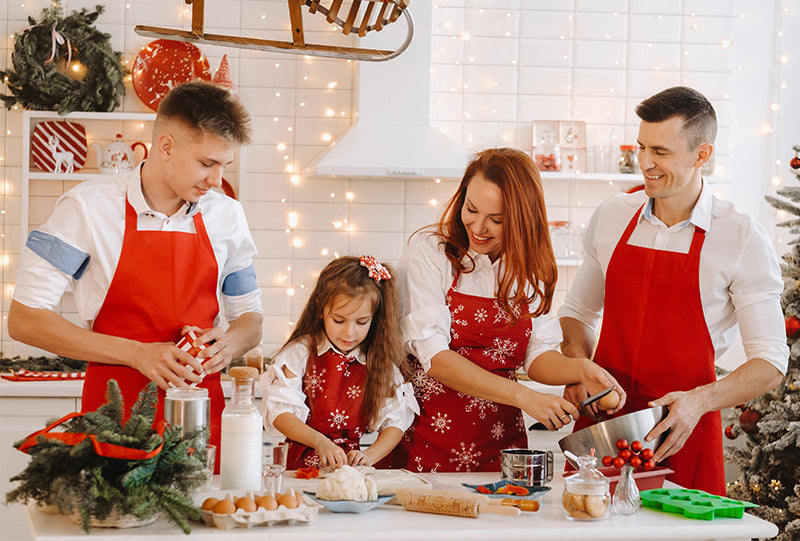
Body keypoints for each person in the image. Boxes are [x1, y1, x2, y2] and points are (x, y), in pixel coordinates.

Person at [8, 81, 264, 461]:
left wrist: (229, 345)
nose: (215, 181)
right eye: (207, 164)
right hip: (115, 413)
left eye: (223, 166)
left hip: (199, 413)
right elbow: (24, 320)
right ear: (166, 147)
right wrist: (138, 354)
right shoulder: (86, 208)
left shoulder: (227, 215)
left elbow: (251, 319)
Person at [559, 86, 788, 495]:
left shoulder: (740, 238)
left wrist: (698, 401)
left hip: (683, 429)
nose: (644, 162)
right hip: (604, 427)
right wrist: (579, 366)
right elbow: (577, 311)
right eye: (642, 147)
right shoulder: (613, 215)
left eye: (660, 152)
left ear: (702, 155)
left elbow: (770, 361)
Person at [394, 148, 626, 473]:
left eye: (497, 220)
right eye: (471, 209)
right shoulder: (430, 253)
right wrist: (525, 397)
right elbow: (435, 358)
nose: (478, 227)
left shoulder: (529, 267)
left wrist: (581, 369)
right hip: (428, 442)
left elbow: (537, 355)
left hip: (505, 449)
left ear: (522, 218)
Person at [259, 255, 418, 469]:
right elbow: (280, 413)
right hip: (299, 468)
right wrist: (320, 442)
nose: (349, 332)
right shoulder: (300, 353)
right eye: (339, 320)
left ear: (374, 317)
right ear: (321, 309)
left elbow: (396, 423)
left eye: (361, 322)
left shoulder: (377, 362)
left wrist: (370, 455)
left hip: (348, 469)